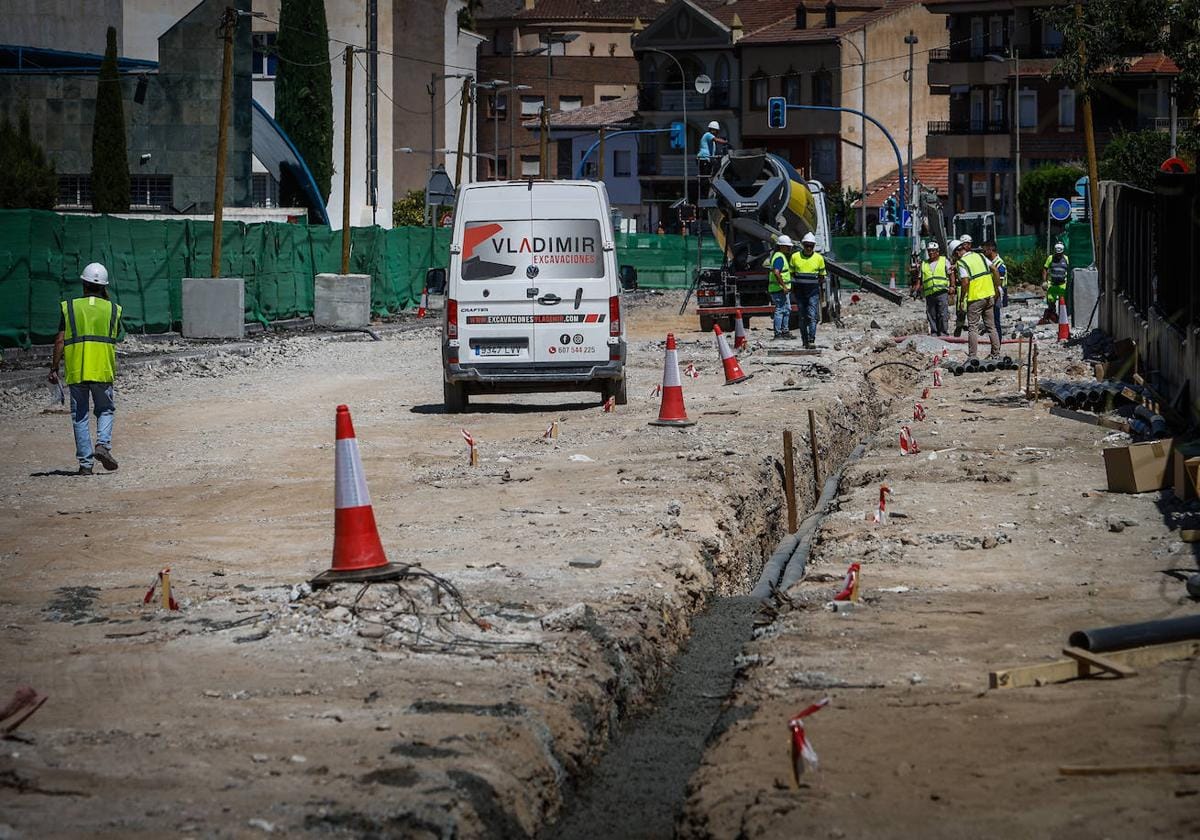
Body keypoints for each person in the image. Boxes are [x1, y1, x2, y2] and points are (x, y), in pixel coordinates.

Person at [49, 263, 122, 475]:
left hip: (77, 370)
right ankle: (103, 445)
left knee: (79, 415)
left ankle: (85, 465)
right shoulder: (113, 309)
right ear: (104, 286)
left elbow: (60, 340)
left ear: (84, 283)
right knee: (105, 409)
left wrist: (54, 367)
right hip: (102, 369)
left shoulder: (69, 307)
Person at [952, 239, 1000, 360]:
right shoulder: (980, 256)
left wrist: (962, 298)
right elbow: (994, 269)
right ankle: (996, 354)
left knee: (973, 327)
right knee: (991, 326)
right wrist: (997, 287)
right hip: (989, 295)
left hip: (975, 298)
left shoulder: (962, 262)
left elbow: (965, 282)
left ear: (957, 253)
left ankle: (973, 356)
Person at [789, 232, 826, 348]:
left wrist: (817, 288)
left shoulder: (819, 258)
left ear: (814, 246)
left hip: (813, 292)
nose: (809, 248)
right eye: (807, 245)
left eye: (811, 245)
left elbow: (822, 276)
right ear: (803, 245)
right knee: (802, 316)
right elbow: (791, 274)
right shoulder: (795, 257)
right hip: (799, 292)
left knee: (812, 316)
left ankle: (811, 339)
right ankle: (804, 340)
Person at [917, 241, 951, 336]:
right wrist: (917, 289)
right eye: (929, 251)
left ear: (937, 251)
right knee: (931, 314)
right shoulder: (924, 264)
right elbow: (920, 278)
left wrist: (952, 286)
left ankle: (943, 332)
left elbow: (950, 274)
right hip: (929, 293)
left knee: (942, 313)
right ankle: (934, 332)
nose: (931, 253)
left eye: (933, 251)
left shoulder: (944, 261)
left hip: (941, 291)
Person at [768, 235, 795, 340]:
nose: (789, 248)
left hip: (781, 289)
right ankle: (778, 333)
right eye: (787, 246)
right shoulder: (779, 257)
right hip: (778, 289)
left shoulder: (780, 255)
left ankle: (785, 331)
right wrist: (783, 286)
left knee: (787, 309)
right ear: (781, 246)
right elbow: (776, 272)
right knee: (780, 310)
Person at [982, 240, 1008, 337]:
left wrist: (994, 299)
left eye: (984, 251)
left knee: (995, 322)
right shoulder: (992, 262)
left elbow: (999, 285)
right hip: (992, 293)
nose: (983, 254)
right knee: (991, 321)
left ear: (991, 249)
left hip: (997, 295)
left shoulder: (999, 264)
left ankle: (998, 344)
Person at [1042, 242, 1070, 323]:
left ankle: (1063, 318)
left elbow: (1069, 269)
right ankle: (1053, 317)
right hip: (1052, 285)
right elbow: (1045, 269)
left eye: (1059, 254)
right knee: (1051, 302)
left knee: (1063, 303)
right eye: (1057, 254)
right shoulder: (1050, 258)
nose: (1058, 256)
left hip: (1062, 285)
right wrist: (1044, 281)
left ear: (1062, 252)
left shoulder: (1066, 259)